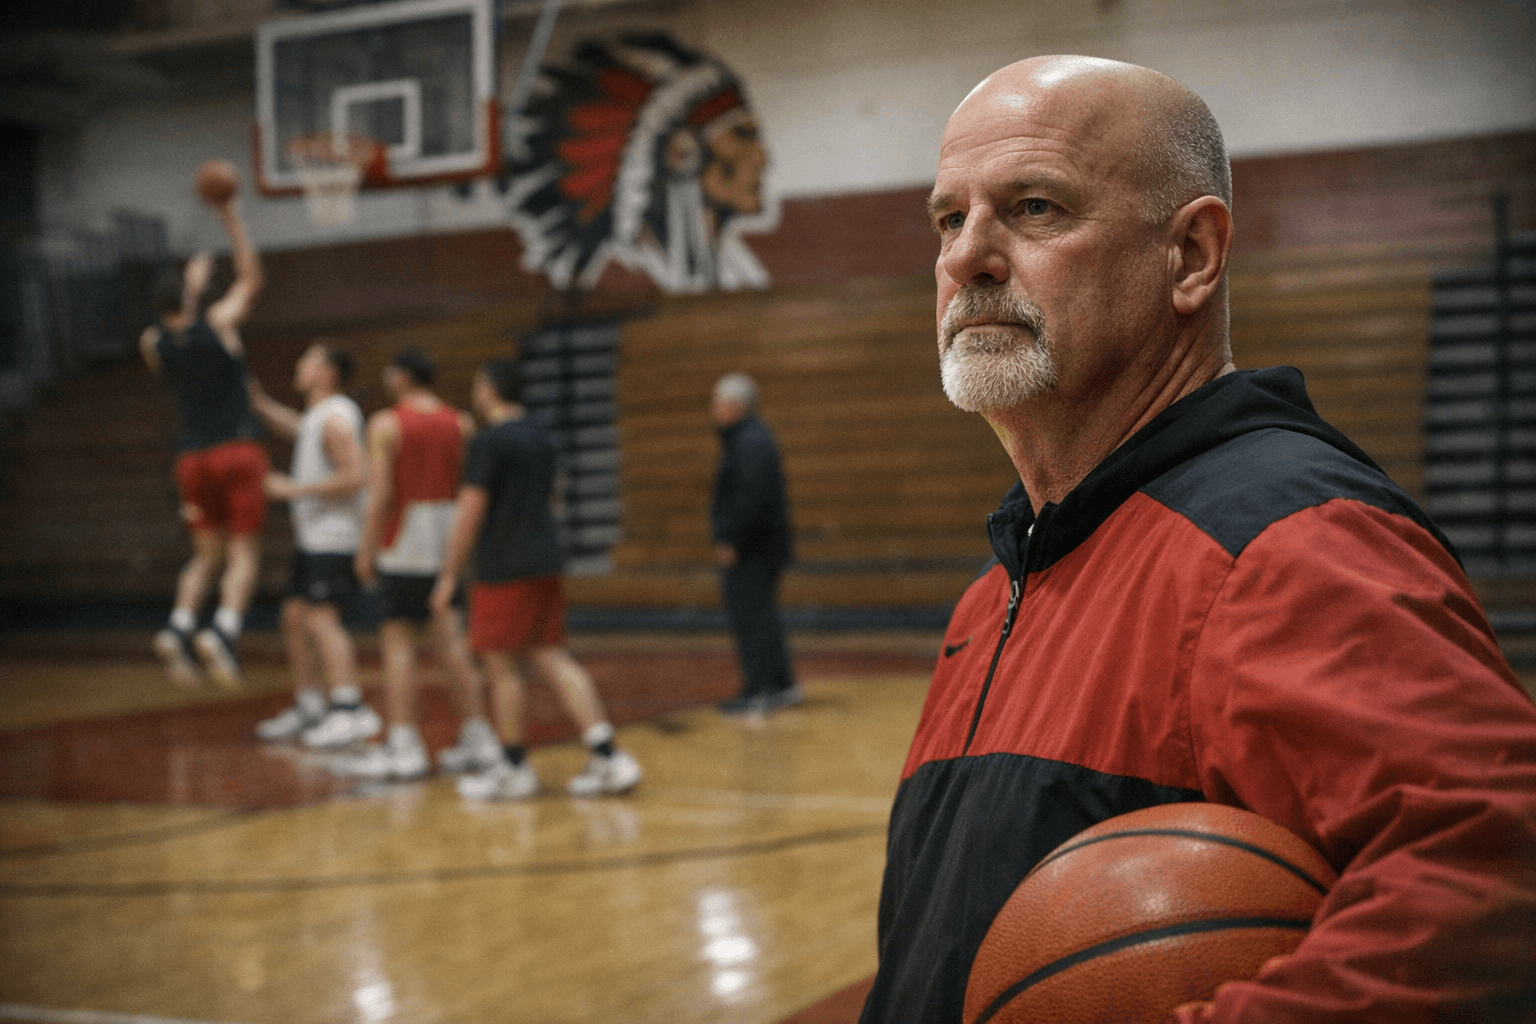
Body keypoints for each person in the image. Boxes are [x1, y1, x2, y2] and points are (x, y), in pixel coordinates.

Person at [860, 56, 1536, 1023]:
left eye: (1036, 208)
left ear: (1190, 256)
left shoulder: (1287, 543)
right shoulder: (993, 596)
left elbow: (1499, 872)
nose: (968, 255)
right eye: (948, 218)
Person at [434, 359, 642, 800]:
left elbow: (470, 509)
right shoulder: (542, 438)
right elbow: (554, 496)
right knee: (552, 656)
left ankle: (513, 768)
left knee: (502, 666)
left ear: (489, 388)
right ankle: (606, 755)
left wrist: (449, 572)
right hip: (545, 559)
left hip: (503, 566)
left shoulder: (489, 443)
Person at [330, 349, 498, 778]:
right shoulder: (461, 423)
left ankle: (404, 742)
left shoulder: (386, 424)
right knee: (450, 640)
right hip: (445, 541)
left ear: (402, 377)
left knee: (399, 641)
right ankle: (479, 736)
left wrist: (366, 548)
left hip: (404, 541)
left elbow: (381, 495)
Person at [139, 194, 265, 690]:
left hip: (191, 457)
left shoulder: (151, 344)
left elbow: (169, 331)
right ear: (191, 296)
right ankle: (224, 631)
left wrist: (184, 292)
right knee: (243, 554)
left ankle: (179, 624)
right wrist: (230, 219)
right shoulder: (217, 324)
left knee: (204, 556)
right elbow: (252, 279)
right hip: (236, 448)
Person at [247, 341, 381, 746]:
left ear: (327, 372)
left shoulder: (337, 418)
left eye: (308, 359)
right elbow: (296, 426)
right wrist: (257, 401)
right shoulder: (319, 416)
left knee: (322, 620)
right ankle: (310, 704)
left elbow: (357, 477)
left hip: (335, 539)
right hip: (313, 541)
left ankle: (350, 708)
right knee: (292, 616)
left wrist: (294, 490)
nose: (299, 364)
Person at [709, 372, 799, 715]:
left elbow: (751, 499)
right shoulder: (750, 438)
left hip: (752, 550)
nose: (714, 409)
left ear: (735, 405)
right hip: (760, 547)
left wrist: (733, 540)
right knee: (761, 616)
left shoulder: (748, 442)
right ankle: (780, 684)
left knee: (752, 618)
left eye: (717, 402)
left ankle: (761, 690)